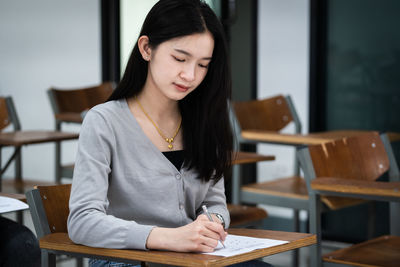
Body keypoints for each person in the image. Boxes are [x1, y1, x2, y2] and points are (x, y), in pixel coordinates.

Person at [67, 0, 270, 266]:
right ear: (146, 48)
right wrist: (170, 238)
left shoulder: (204, 120)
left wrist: (212, 223)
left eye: (203, 64)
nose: (190, 75)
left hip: (191, 257)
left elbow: (215, 203)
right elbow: (82, 222)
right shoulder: (104, 121)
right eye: (180, 58)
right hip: (123, 258)